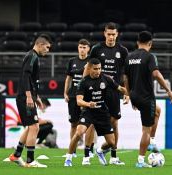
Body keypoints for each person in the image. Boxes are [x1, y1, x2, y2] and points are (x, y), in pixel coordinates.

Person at [124, 31, 172, 168]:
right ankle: (140, 161)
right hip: (146, 97)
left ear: (137, 42)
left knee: (157, 111)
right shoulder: (150, 56)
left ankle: (151, 141)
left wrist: (130, 96)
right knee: (146, 130)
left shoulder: (129, 57)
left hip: (135, 95)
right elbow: (156, 74)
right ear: (150, 43)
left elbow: (125, 79)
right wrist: (169, 90)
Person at [64, 58, 128, 167]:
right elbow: (79, 101)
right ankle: (69, 158)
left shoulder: (106, 79)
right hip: (88, 111)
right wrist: (89, 104)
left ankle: (100, 151)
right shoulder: (83, 82)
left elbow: (120, 88)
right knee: (79, 132)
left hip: (102, 112)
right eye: (95, 69)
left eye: (99, 68)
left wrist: (128, 94)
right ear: (89, 69)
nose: (98, 71)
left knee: (112, 143)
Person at [84, 22, 129, 165]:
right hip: (96, 90)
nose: (110, 37)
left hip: (114, 90)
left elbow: (126, 74)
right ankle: (87, 154)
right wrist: (83, 86)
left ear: (117, 34)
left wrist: (126, 92)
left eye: (113, 34)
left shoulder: (122, 51)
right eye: (108, 34)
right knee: (91, 122)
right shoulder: (97, 49)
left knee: (114, 123)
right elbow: (88, 67)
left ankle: (114, 156)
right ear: (104, 34)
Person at [8, 34, 52, 168]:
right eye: (47, 47)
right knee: (35, 126)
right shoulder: (32, 56)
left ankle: (16, 155)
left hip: (29, 96)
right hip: (24, 97)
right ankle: (30, 161)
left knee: (31, 126)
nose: (48, 50)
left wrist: (36, 97)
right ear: (40, 44)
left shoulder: (33, 56)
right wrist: (28, 96)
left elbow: (32, 80)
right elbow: (25, 77)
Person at [63, 39, 94, 157]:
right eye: (80, 47)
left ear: (88, 49)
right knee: (73, 124)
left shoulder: (91, 62)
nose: (82, 49)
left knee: (90, 124)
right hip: (73, 97)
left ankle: (89, 149)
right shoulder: (72, 61)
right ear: (78, 48)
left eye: (84, 47)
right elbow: (68, 78)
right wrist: (65, 93)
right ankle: (73, 150)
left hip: (86, 97)